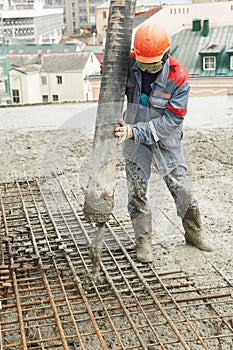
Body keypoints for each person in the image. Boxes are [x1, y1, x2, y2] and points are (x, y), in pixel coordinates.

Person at [114, 20, 213, 263]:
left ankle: (194, 233)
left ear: (166, 55)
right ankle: (143, 240)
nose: (147, 70)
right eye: (142, 65)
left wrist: (134, 132)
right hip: (133, 135)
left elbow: (171, 123)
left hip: (164, 138)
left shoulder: (179, 77)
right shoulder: (129, 63)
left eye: (153, 66)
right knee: (136, 189)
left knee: (180, 186)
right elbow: (110, 74)